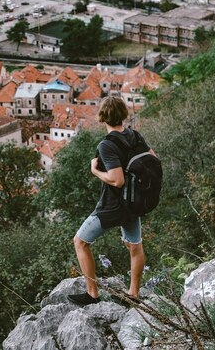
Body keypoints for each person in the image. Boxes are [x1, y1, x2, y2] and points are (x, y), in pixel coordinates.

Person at [68, 96, 156, 306]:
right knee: (135, 246)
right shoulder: (134, 136)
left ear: (102, 117)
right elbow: (153, 158)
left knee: (80, 242)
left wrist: (95, 171)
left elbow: (117, 180)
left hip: (113, 205)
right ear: (124, 115)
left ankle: (92, 294)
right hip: (134, 203)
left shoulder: (106, 145)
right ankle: (133, 294)